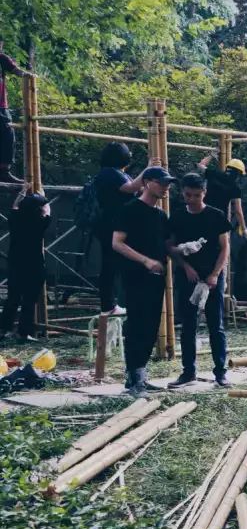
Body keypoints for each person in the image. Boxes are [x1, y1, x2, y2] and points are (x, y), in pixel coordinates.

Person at [112, 166, 174, 398]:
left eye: (168, 183)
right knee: (137, 324)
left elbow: (168, 245)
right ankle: (134, 375)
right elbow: (117, 242)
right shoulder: (129, 210)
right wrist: (145, 261)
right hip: (134, 276)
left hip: (157, 278)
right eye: (162, 182)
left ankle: (139, 374)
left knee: (150, 325)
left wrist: (185, 251)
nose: (166, 187)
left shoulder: (161, 215)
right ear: (147, 182)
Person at [166, 173, 231, 388]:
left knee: (216, 324)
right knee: (188, 325)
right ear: (182, 192)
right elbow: (170, 247)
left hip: (213, 275)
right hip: (188, 275)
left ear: (204, 193)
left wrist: (215, 274)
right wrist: (185, 265)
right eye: (187, 195)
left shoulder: (217, 216)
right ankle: (188, 372)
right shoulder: (176, 217)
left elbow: (225, 248)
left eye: (196, 195)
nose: (191, 199)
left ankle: (220, 372)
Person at [94, 142, 148, 316]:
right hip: (111, 224)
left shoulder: (115, 173)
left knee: (113, 265)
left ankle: (111, 304)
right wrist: (148, 170)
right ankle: (109, 305)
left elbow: (136, 188)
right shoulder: (110, 173)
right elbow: (131, 188)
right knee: (111, 266)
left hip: (114, 223)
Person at [0, 188, 50, 342]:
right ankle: (23, 332)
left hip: (16, 264)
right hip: (34, 265)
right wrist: (41, 193)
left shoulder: (15, 219)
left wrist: (22, 193)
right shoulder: (40, 222)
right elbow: (48, 210)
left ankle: (2, 330)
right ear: (37, 210)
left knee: (12, 299)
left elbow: (15, 207)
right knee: (29, 300)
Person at [198, 153, 247, 238]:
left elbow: (201, 165)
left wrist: (212, 154)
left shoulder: (214, 174)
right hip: (219, 218)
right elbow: (238, 211)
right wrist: (244, 228)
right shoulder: (235, 188)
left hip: (202, 213)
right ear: (238, 173)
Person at [0, 45, 33, 184]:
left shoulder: (1, 58)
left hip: (1, 106)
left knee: (7, 134)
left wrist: (27, 75)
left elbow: (16, 70)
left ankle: (3, 171)